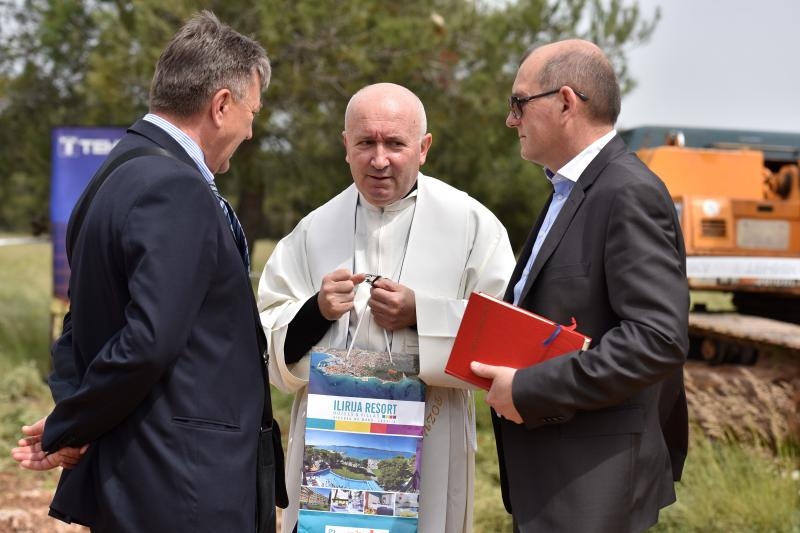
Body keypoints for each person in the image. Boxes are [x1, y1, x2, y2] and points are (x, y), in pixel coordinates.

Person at [10, 11, 285, 532]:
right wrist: (70, 424)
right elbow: (148, 340)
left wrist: (76, 417)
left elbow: (80, 325)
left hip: (141, 478)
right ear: (222, 105)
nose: (251, 130)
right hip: (183, 485)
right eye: (253, 111)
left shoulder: (113, 174)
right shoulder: (174, 187)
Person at [257, 82, 515, 533]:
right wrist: (316, 311)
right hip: (331, 439)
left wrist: (422, 314)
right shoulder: (312, 231)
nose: (379, 159)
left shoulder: (472, 225)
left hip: (429, 443)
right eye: (365, 143)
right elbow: (268, 333)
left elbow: (505, 335)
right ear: (345, 146)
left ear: (423, 148)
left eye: (395, 143)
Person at [470, 39, 689, 532]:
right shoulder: (570, 192)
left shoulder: (627, 192)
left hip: (596, 484)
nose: (511, 120)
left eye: (518, 103)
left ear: (565, 102)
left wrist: (529, 388)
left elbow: (657, 341)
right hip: (559, 476)